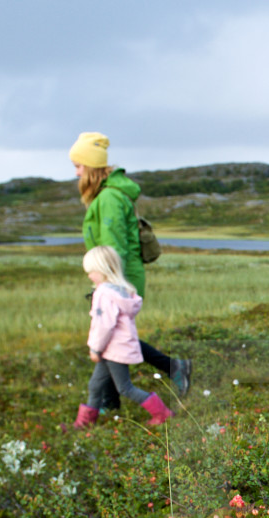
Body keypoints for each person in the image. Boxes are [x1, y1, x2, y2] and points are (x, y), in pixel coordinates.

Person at [68, 132, 191, 418]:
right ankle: (111, 405)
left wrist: (109, 287)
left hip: (116, 278)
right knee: (114, 337)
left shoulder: (109, 198)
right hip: (115, 277)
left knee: (113, 335)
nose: (76, 172)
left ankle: (171, 371)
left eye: (79, 165)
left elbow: (114, 248)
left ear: (92, 167)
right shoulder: (106, 195)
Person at [72, 246, 174, 428]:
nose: (89, 276)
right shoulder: (119, 290)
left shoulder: (104, 294)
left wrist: (95, 349)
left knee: (125, 388)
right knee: (95, 385)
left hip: (112, 349)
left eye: (91, 272)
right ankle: (84, 423)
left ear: (102, 270)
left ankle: (162, 414)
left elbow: (104, 326)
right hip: (114, 348)